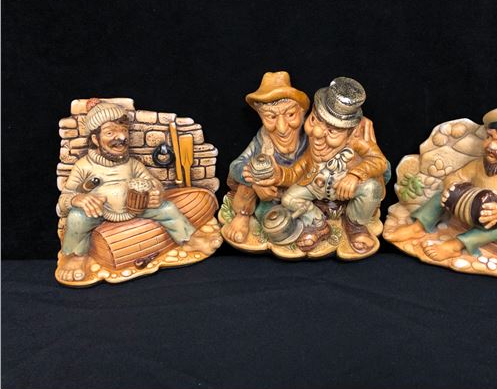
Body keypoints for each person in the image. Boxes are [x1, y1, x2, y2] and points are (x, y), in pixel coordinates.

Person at [57, 99, 207, 281]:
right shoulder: (83, 166)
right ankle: (76, 257)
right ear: (95, 139)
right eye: (110, 132)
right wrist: (77, 199)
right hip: (100, 212)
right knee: (77, 218)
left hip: (135, 208)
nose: (121, 137)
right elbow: (63, 202)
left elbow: (153, 182)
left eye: (124, 131)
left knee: (167, 208)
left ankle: (188, 239)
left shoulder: (133, 164)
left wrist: (156, 192)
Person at [246, 77, 389, 254]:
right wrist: (280, 175)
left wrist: (355, 175)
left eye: (332, 131)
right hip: (316, 185)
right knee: (289, 199)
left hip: (344, 188)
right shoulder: (312, 144)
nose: (318, 132)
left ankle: (355, 226)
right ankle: (318, 224)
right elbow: (297, 171)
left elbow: (379, 161)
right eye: (314, 120)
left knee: (371, 189)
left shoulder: (356, 142)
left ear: (350, 132)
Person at [386, 105, 497, 260]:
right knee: (440, 195)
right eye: (489, 137)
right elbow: (456, 176)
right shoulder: (478, 165)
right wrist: (451, 187)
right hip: (472, 207)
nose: (492, 146)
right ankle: (418, 227)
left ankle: (455, 246)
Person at [223, 72, 309, 244]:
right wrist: (256, 182)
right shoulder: (263, 139)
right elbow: (236, 166)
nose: (282, 128)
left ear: (302, 112)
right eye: (271, 117)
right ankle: (243, 215)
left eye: (290, 115)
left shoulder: (312, 135)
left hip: (303, 193)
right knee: (248, 186)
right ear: (261, 118)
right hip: (271, 199)